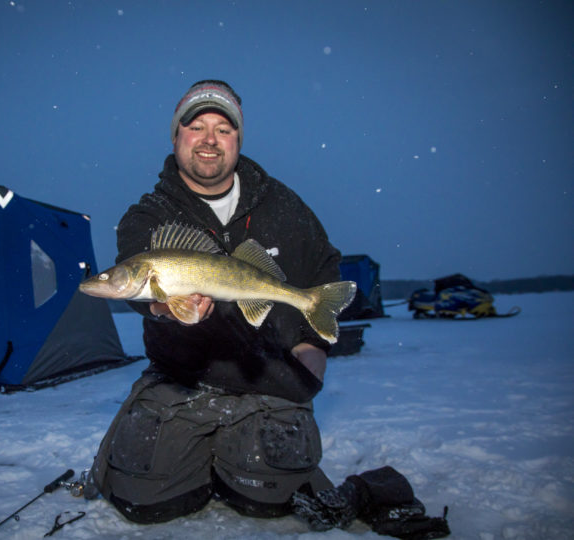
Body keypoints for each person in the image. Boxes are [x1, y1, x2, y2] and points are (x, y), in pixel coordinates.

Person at [87, 80, 450, 538]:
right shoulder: (148, 215)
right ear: (175, 137)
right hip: (181, 379)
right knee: (145, 503)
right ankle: (194, 460)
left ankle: (238, 465)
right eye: (196, 126)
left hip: (268, 375)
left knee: (270, 502)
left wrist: (312, 345)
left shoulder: (282, 204)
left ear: (238, 139)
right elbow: (144, 290)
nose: (209, 139)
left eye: (223, 128)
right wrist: (167, 309)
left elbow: (323, 265)